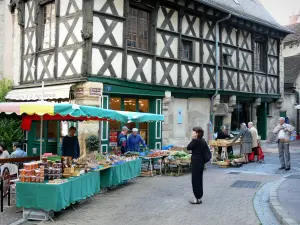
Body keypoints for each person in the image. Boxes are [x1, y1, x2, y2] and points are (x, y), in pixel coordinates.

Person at [187, 127, 207, 204]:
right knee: (199, 180)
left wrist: (193, 138)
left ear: (197, 134)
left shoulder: (195, 141)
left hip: (196, 163)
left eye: (193, 132)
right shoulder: (203, 140)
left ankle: (197, 198)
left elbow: (188, 147)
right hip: (201, 162)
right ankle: (199, 196)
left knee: (195, 180)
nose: (192, 133)